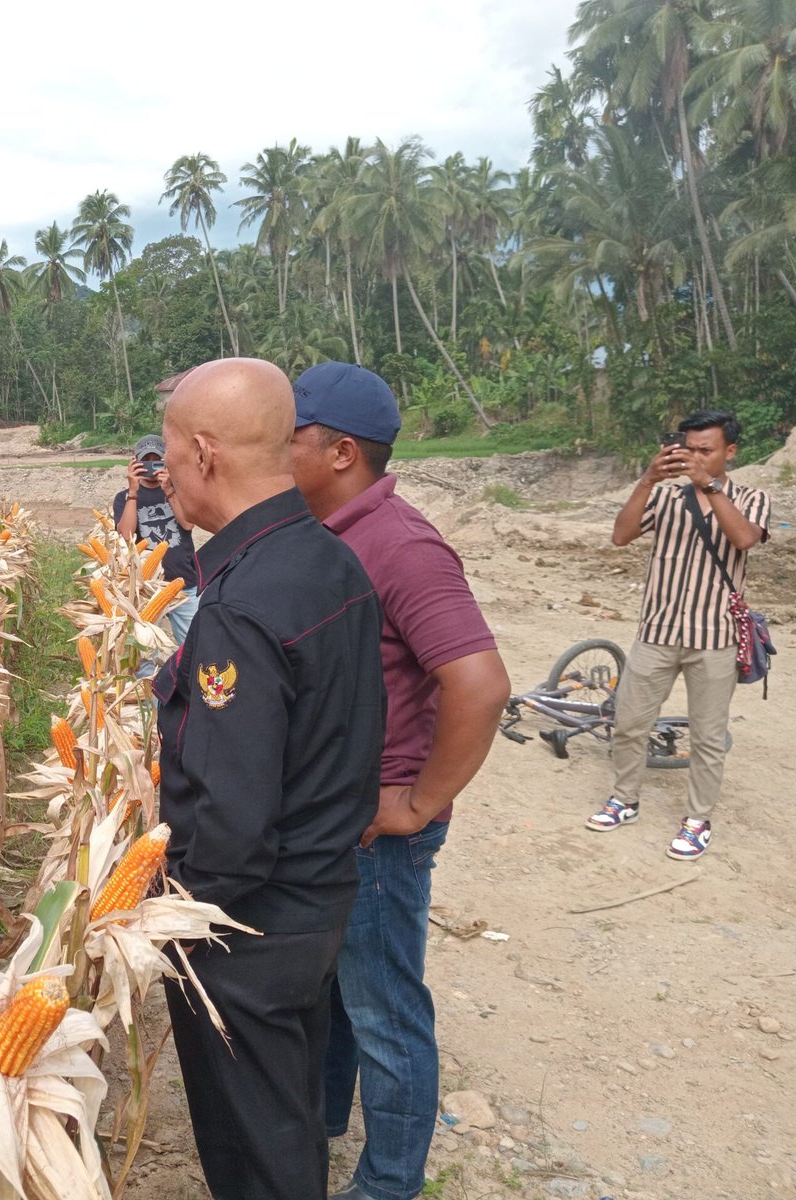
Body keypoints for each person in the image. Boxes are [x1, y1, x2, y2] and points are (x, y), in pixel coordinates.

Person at [153, 358, 386, 1200]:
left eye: (171, 453)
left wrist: (167, 917)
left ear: (205, 453)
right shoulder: (328, 562)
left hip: (244, 930)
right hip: (318, 900)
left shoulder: (244, 607)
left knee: (253, 1147)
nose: (165, 472)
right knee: (284, 1116)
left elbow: (232, 819)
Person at [288, 361, 510, 1200]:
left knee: (384, 1012)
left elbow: (481, 685)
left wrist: (417, 802)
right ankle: (328, 1122)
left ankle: (388, 1185)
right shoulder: (326, 531)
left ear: (341, 451)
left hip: (378, 832)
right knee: (338, 993)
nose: (274, 449)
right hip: (336, 819)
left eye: (290, 437)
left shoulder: (402, 546)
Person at [585, 410, 770, 860]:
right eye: (690, 449)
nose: (696, 457)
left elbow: (743, 538)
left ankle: (697, 820)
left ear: (730, 452)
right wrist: (648, 480)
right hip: (658, 630)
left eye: (706, 450)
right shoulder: (665, 497)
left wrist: (708, 485)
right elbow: (621, 536)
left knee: (707, 736)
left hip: (716, 637)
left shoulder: (752, 497)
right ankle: (625, 798)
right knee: (629, 723)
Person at [113, 434, 198, 644]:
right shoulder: (123, 497)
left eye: (156, 460)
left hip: (184, 582)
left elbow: (188, 524)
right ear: (135, 462)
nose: (151, 466)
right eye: (146, 461)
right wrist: (133, 491)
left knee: (194, 646)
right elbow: (126, 536)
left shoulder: (178, 490)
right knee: (146, 652)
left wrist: (169, 489)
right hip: (146, 587)